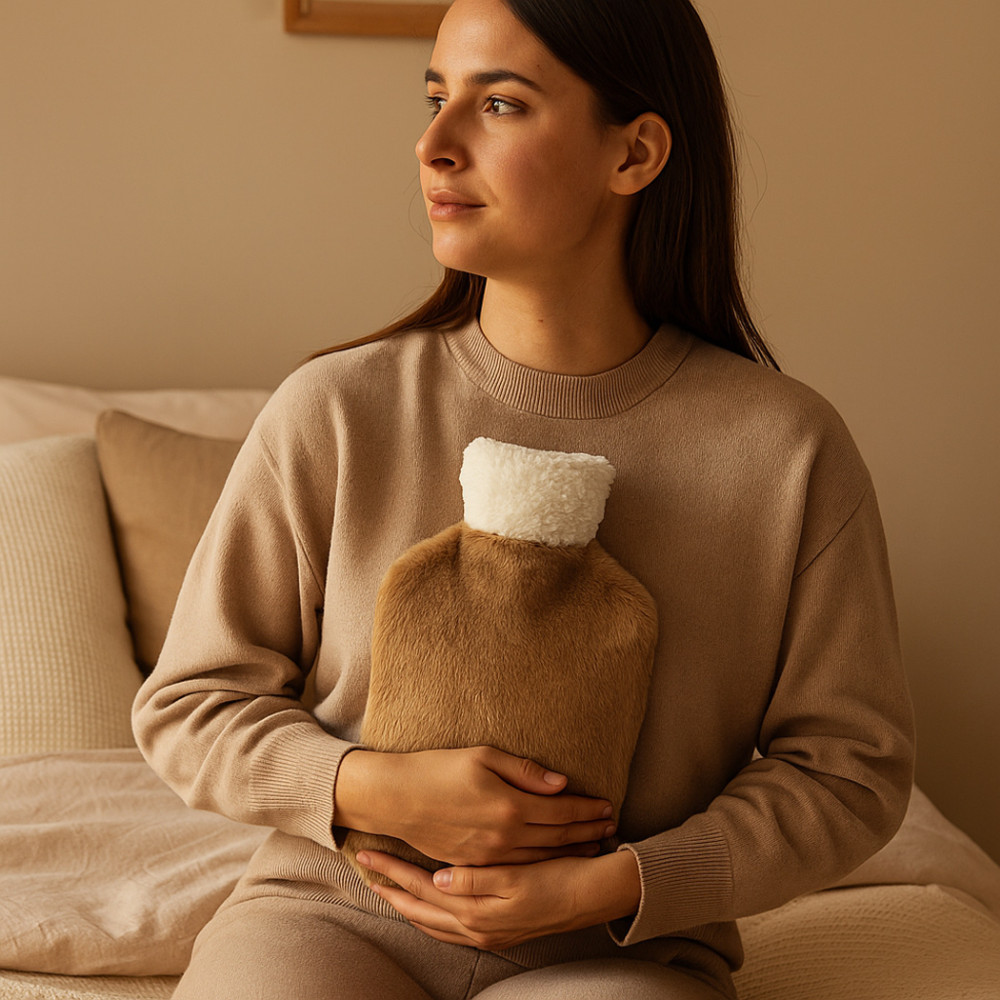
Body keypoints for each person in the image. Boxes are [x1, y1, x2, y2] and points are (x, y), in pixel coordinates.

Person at [132, 0, 915, 997]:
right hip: (331, 915)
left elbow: (849, 770)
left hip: (617, 951)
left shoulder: (788, 450)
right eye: (434, 97)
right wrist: (370, 786)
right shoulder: (333, 409)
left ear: (633, 154)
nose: (433, 144)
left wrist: (619, 883)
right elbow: (189, 702)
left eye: (498, 104)